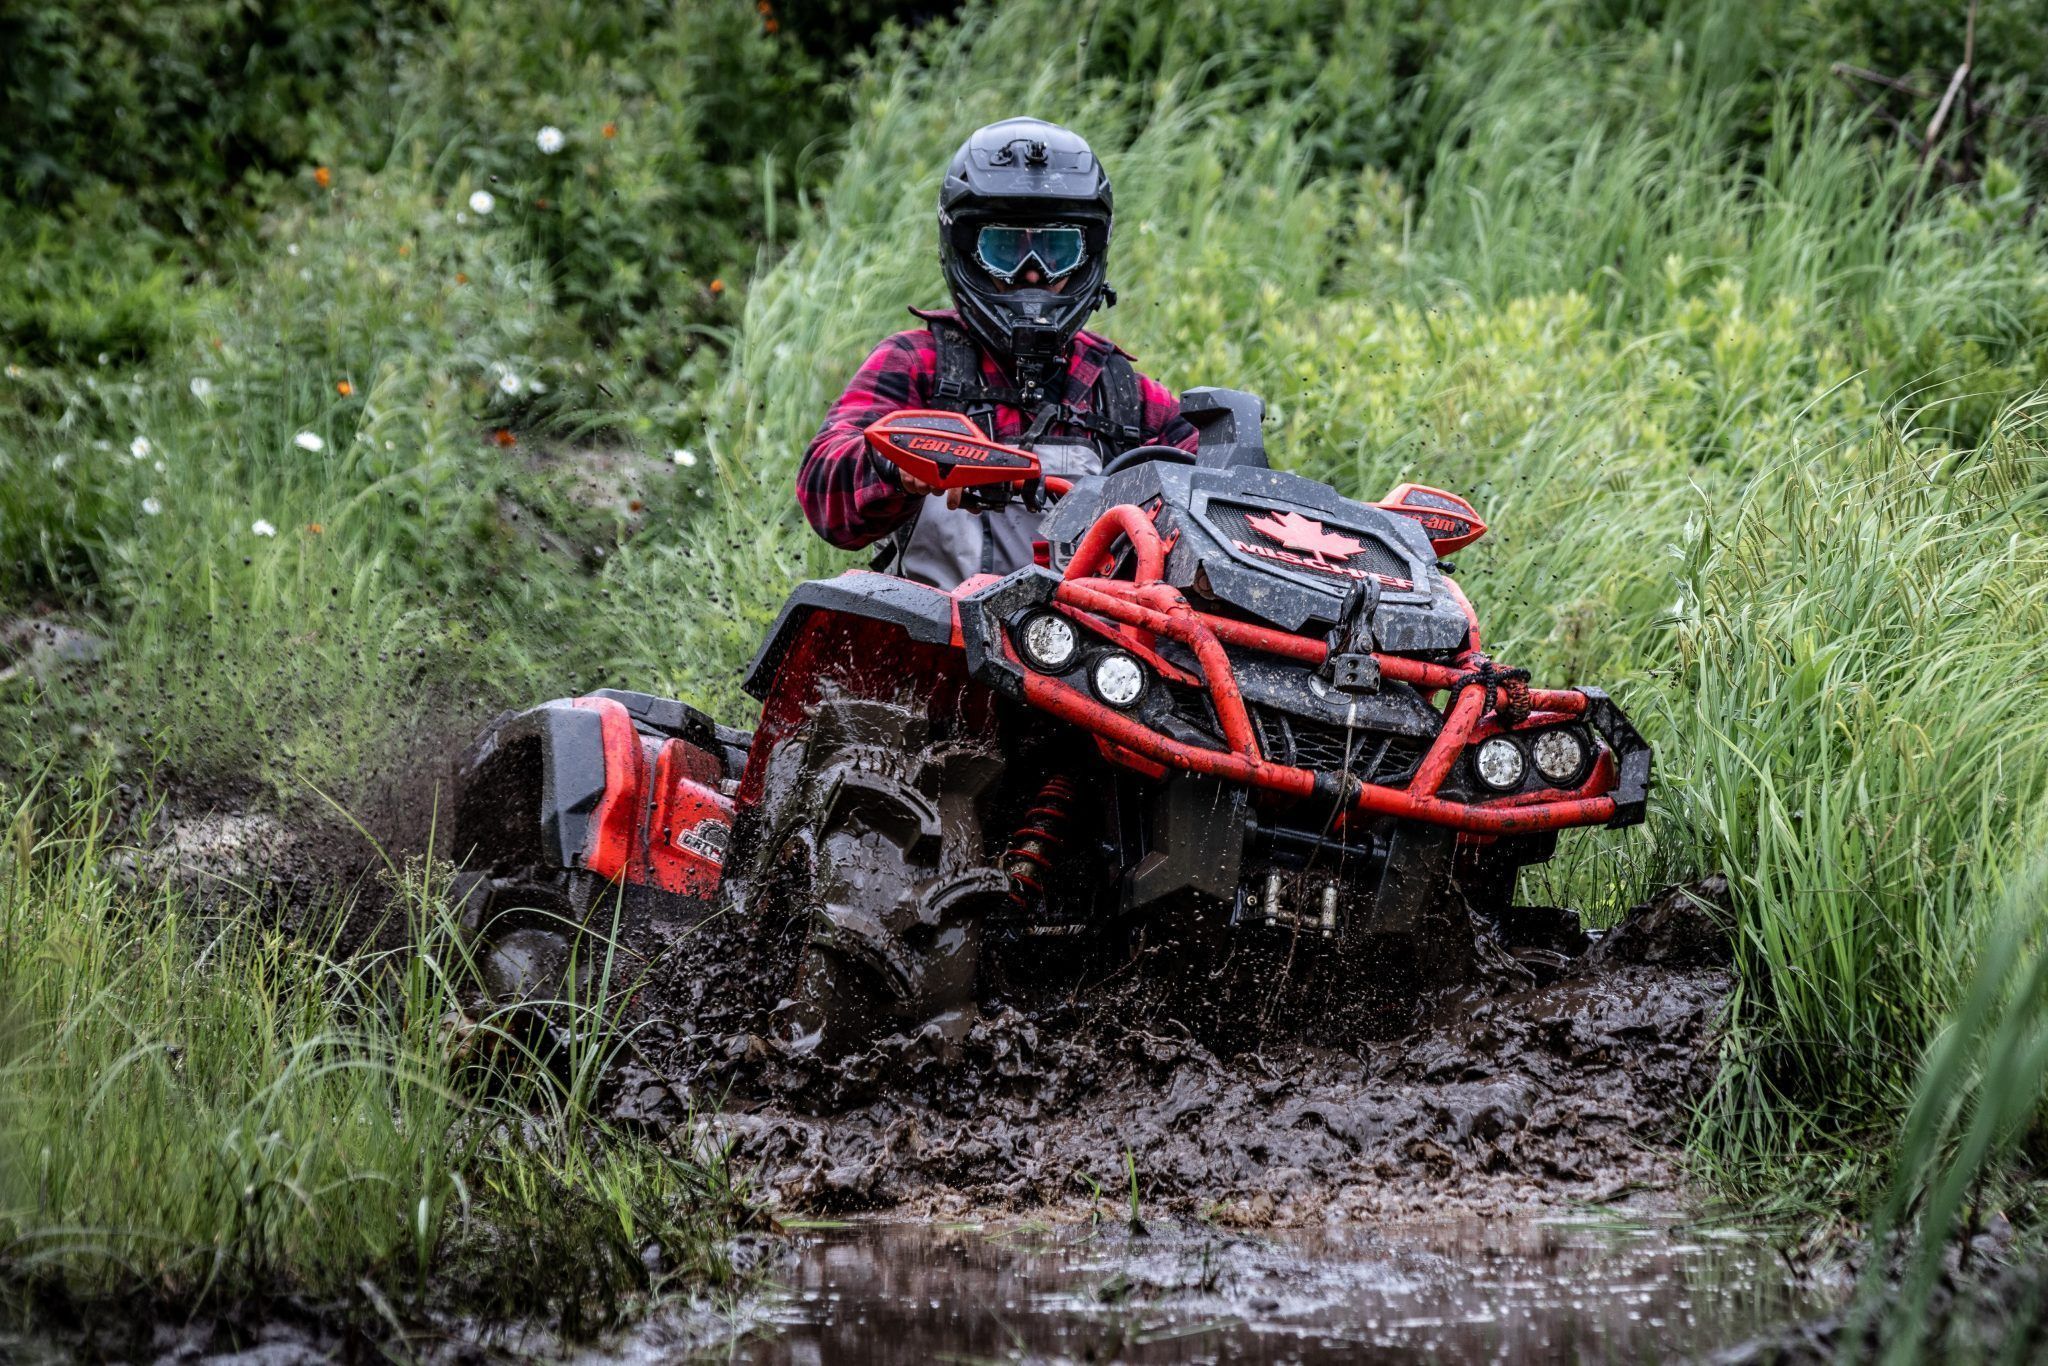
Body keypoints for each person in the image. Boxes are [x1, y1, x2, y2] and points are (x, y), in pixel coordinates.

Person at [797, 117, 1198, 588]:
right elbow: (823, 488)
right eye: (1006, 248)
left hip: (1094, 648)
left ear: (1088, 254)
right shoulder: (916, 363)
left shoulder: (1124, 393)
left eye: (1057, 249)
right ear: (966, 250)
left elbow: (1223, 501)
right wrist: (896, 464)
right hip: (934, 636)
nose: (1032, 273)